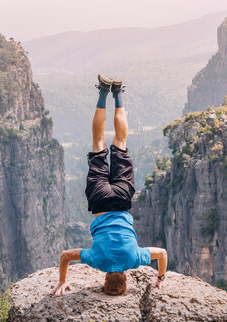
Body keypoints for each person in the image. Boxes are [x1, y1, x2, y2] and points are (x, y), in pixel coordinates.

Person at [52, 74, 167, 296]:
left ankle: (118, 92)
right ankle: (104, 92)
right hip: (100, 202)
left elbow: (161, 254)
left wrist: (161, 278)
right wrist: (62, 281)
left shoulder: (134, 260)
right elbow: (66, 255)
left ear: (124, 276)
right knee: (98, 144)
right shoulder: (98, 262)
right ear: (105, 277)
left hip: (122, 201)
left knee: (120, 144)